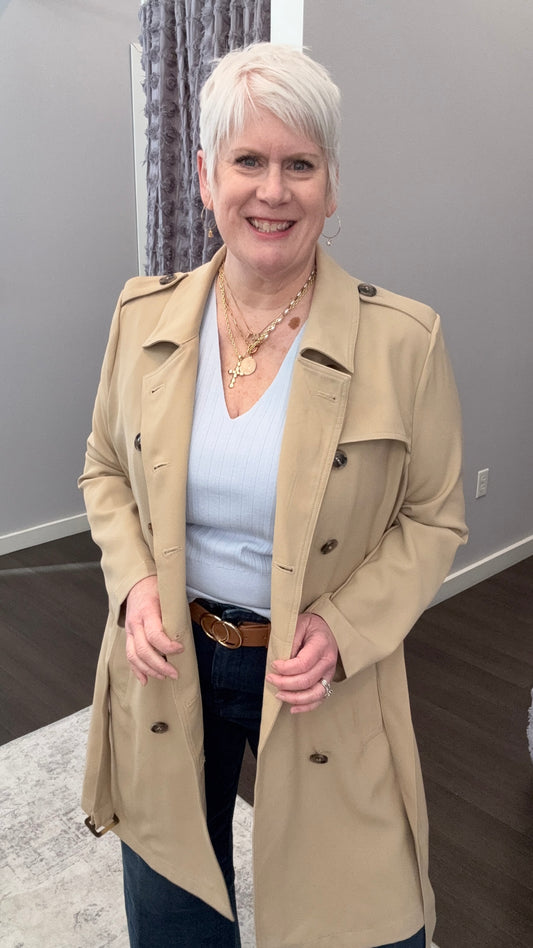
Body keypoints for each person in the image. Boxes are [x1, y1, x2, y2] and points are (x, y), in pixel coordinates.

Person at [80, 42, 467, 948]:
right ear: (205, 176)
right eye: (248, 161)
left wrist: (346, 627)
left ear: (332, 188)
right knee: (172, 900)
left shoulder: (403, 341)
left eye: (300, 164)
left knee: (358, 911)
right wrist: (135, 584)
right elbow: (103, 467)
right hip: (168, 654)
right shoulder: (142, 317)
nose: (272, 190)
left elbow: (432, 516)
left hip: (312, 674)